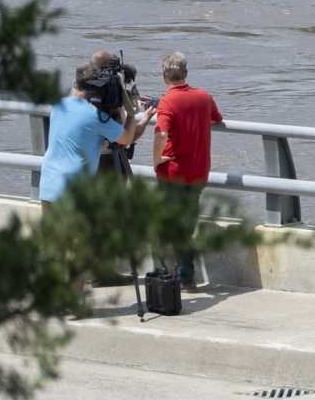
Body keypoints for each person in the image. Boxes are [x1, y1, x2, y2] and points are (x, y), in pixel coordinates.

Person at [152, 52, 223, 289]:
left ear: (164, 75)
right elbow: (217, 118)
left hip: (173, 172)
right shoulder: (204, 97)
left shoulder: (167, 102)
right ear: (186, 73)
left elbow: (161, 133)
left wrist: (155, 160)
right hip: (198, 171)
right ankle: (184, 274)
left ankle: (177, 274)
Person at [39, 57, 150, 205]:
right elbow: (126, 139)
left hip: (48, 185)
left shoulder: (59, 105)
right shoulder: (97, 117)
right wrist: (130, 112)